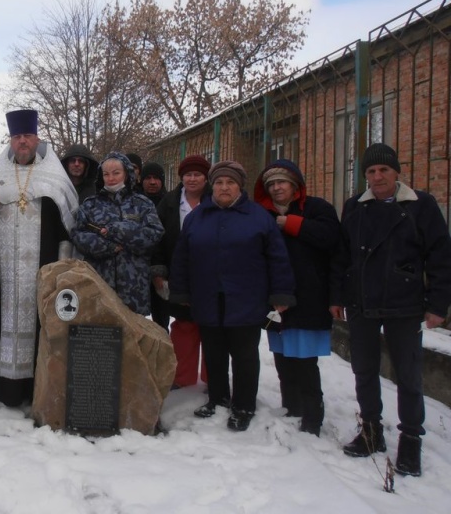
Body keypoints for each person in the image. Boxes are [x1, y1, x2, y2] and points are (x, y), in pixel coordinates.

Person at [330, 143, 451, 476]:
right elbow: (343, 256)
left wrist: (438, 304)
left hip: (404, 303)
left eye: (383, 170)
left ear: (396, 171)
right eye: (370, 171)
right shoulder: (355, 206)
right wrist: (337, 296)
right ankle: (371, 430)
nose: (377, 176)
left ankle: (411, 439)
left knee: (408, 374)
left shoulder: (420, 205)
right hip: (361, 301)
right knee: (364, 369)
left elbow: (440, 256)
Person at [0, 109, 78, 407]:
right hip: (2, 271)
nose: (22, 141)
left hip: (41, 266)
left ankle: (34, 390)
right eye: (17, 137)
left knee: (41, 321)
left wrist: (62, 265)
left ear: (36, 139)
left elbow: (66, 222)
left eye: (27, 136)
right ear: (11, 141)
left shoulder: (53, 175)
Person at [169, 161, 295, 432]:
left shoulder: (259, 217)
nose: (224, 187)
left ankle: (244, 405)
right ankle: (218, 398)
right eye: (219, 183)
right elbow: (182, 258)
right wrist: (181, 292)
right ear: (212, 186)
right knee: (213, 353)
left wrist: (281, 292)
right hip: (207, 297)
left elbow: (277, 257)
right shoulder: (197, 217)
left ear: (240, 186)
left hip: (247, 298)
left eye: (230, 183)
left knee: (244, 355)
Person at [254, 159, 340, 437]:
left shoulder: (317, 208)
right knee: (282, 358)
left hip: (309, 298)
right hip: (275, 300)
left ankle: (312, 417)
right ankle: (291, 408)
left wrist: (291, 224)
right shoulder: (261, 214)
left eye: (282, 182)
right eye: (272, 184)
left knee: (305, 360)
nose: (277, 187)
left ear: (295, 185)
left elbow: (331, 239)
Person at [71, 152, 164, 317]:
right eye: (106, 174)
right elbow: (78, 235)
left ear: (127, 174)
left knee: (133, 338)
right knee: (100, 333)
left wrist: (120, 230)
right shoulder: (91, 205)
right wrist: (108, 247)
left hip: (134, 287)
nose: (111, 178)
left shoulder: (142, 204)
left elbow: (154, 234)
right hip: (99, 283)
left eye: (116, 173)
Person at [151, 155, 211, 387]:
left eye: (197, 174)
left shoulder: (215, 200)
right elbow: (157, 239)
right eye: (188, 175)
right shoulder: (168, 203)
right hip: (179, 274)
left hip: (209, 275)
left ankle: (210, 377)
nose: (192, 179)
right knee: (184, 325)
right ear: (181, 177)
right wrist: (158, 271)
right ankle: (182, 377)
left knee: (210, 328)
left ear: (206, 178)